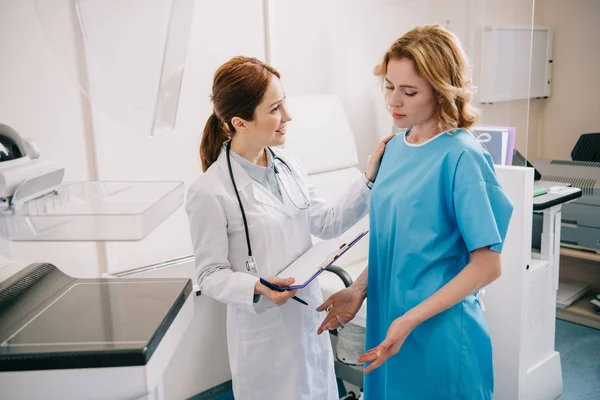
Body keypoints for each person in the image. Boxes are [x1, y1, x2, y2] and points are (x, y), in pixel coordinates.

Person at [317, 25, 514, 399]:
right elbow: (397, 240)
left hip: (436, 328)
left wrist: (410, 319)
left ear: (441, 92)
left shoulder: (462, 156)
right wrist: (358, 289)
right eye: (389, 87)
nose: (394, 101)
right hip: (388, 323)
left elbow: (488, 264)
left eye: (409, 92)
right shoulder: (393, 149)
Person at [185, 56, 393, 400]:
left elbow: (327, 223)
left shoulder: (289, 164)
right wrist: (256, 286)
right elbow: (209, 275)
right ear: (241, 122)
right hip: (263, 331)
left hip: (307, 319)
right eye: (276, 109)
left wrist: (369, 178)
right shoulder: (209, 191)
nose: (288, 117)